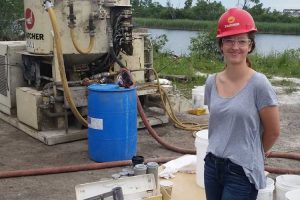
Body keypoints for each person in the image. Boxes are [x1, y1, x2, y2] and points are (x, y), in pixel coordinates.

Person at [203, 7, 280, 200]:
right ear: (221, 45)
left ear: (250, 46)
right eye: (229, 40)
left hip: (241, 172)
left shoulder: (259, 84)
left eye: (241, 40)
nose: (235, 46)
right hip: (212, 166)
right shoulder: (211, 82)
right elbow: (219, 124)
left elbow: (273, 131)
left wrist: (252, 155)